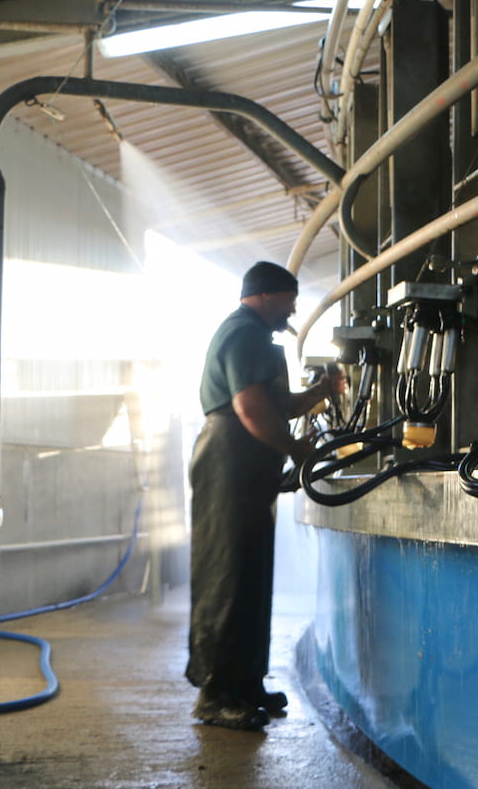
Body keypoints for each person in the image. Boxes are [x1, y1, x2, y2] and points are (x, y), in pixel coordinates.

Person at [186, 261, 345, 731]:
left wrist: (322, 390)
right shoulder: (242, 333)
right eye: (290, 299)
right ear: (268, 295)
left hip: (249, 468)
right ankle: (216, 695)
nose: (294, 308)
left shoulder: (259, 338)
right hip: (227, 462)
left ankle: (247, 684)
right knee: (226, 575)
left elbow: (280, 405)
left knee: (251, 575)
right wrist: (297, 451)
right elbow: (251, 410)